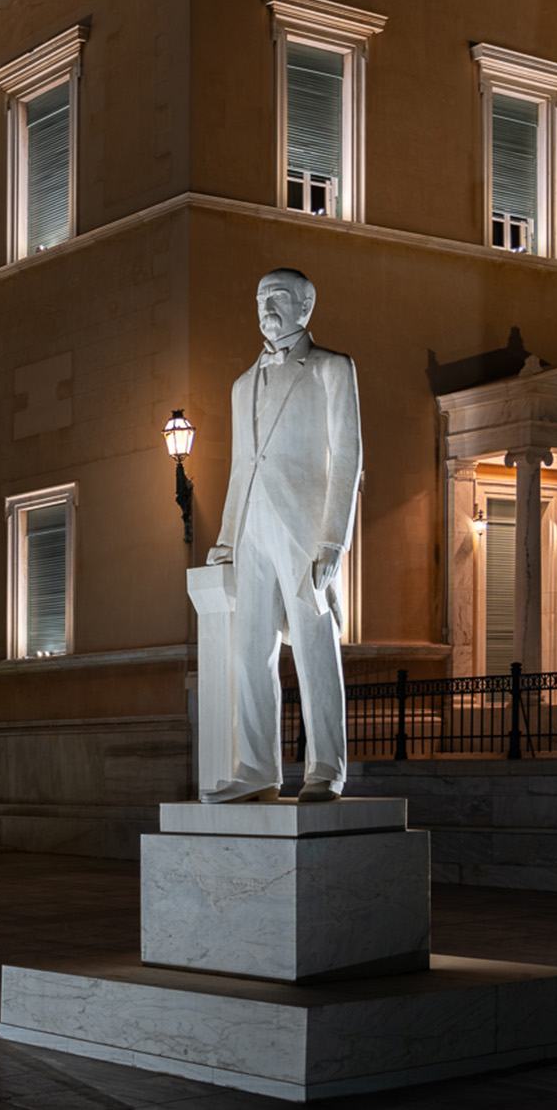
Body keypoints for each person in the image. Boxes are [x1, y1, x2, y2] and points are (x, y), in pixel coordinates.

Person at [202, 268, 361, 804]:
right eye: (261, 296)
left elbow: (347, 460)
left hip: (303, 529)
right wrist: (226, 538)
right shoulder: (242, 384)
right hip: (251, 531)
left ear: (305, 307)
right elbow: (240, 466)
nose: (267, 305)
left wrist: (334, 540)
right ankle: (256, 766)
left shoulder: (331, 370)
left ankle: (327, 767)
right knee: (251, 652)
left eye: (279, 297)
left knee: (316, 650)